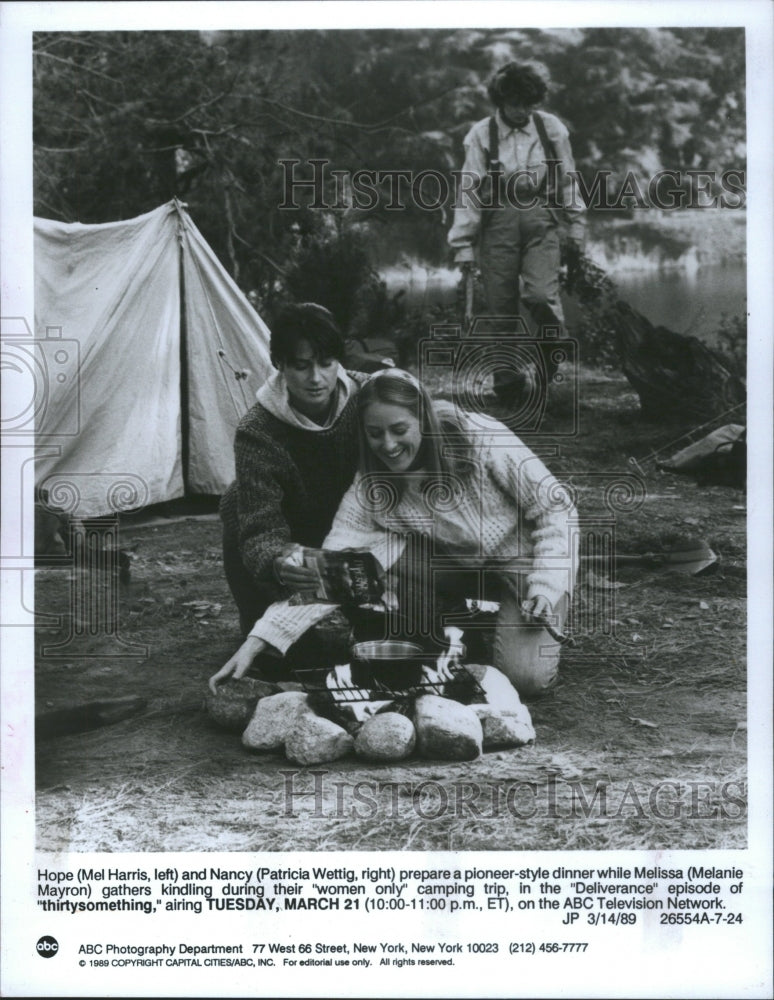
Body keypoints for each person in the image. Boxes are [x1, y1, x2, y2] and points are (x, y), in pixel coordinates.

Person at [211, 368, 577, 700]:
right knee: (378, 551)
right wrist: (259, 639)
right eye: (375, 433)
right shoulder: (370, 488)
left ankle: (521, 613)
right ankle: (443, 627)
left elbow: (556, 508)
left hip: (527, 562)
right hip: (453, 567)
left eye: (399, 430)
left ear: (423, 419)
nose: (387, 445)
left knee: (526, 679)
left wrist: (546, 583)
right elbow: (332, 569)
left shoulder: (480, 437)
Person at [219, 302, 367, 637]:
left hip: (363, 532)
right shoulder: (258, 431)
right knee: (234, 501)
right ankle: (260, 625)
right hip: (298, 541)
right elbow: (260, 526)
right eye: (301, 366)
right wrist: (278, 561)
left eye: (327, 363)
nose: (316, 378)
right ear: (279, 364)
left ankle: (376, 618)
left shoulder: (370, 397)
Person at [448, 62, 585, 406]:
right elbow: (468, 189)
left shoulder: (551, 128)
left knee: (541, 296)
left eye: (529, 103)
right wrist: (463, 244)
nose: (522, 111)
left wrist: (577, 224)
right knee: (501, 309)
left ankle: (550, 360)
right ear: (501, 100)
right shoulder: (481, 134)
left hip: (541, 218)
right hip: (497, 224)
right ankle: (508, 387)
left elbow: (568, 177)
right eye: (515, 103)